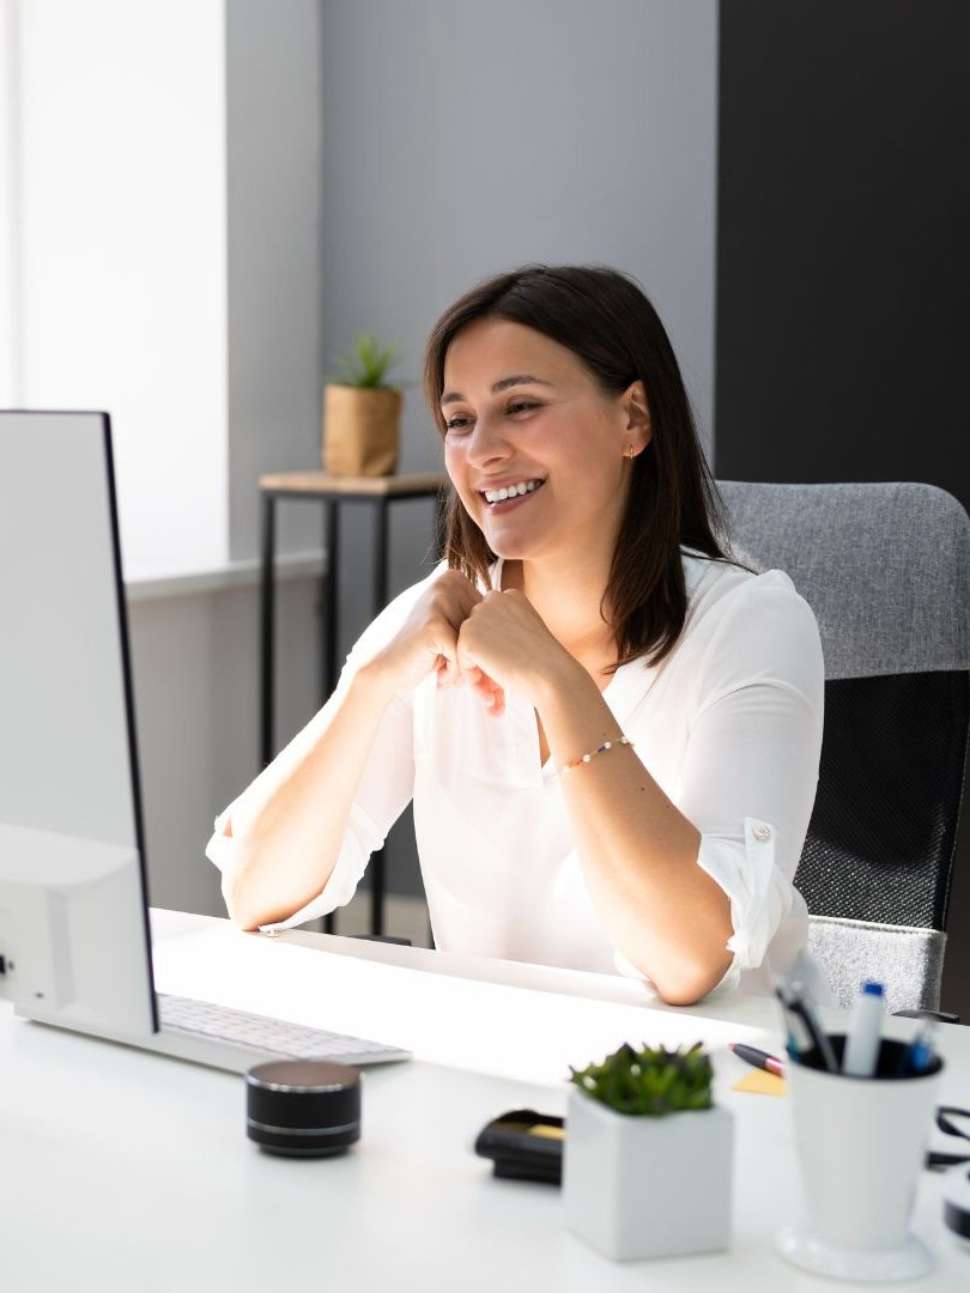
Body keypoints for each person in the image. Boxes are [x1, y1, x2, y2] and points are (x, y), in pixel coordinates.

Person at [205, 264, 824, 1006]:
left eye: (520, 406)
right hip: (500, 1079)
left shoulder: (753, 626)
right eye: (458, 420)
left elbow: (692, 957)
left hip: (709, 1090)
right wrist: (368, 686)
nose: (481, 451)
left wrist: (558, 685)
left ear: (633, 419)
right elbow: (253, 890)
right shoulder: (437, 619)